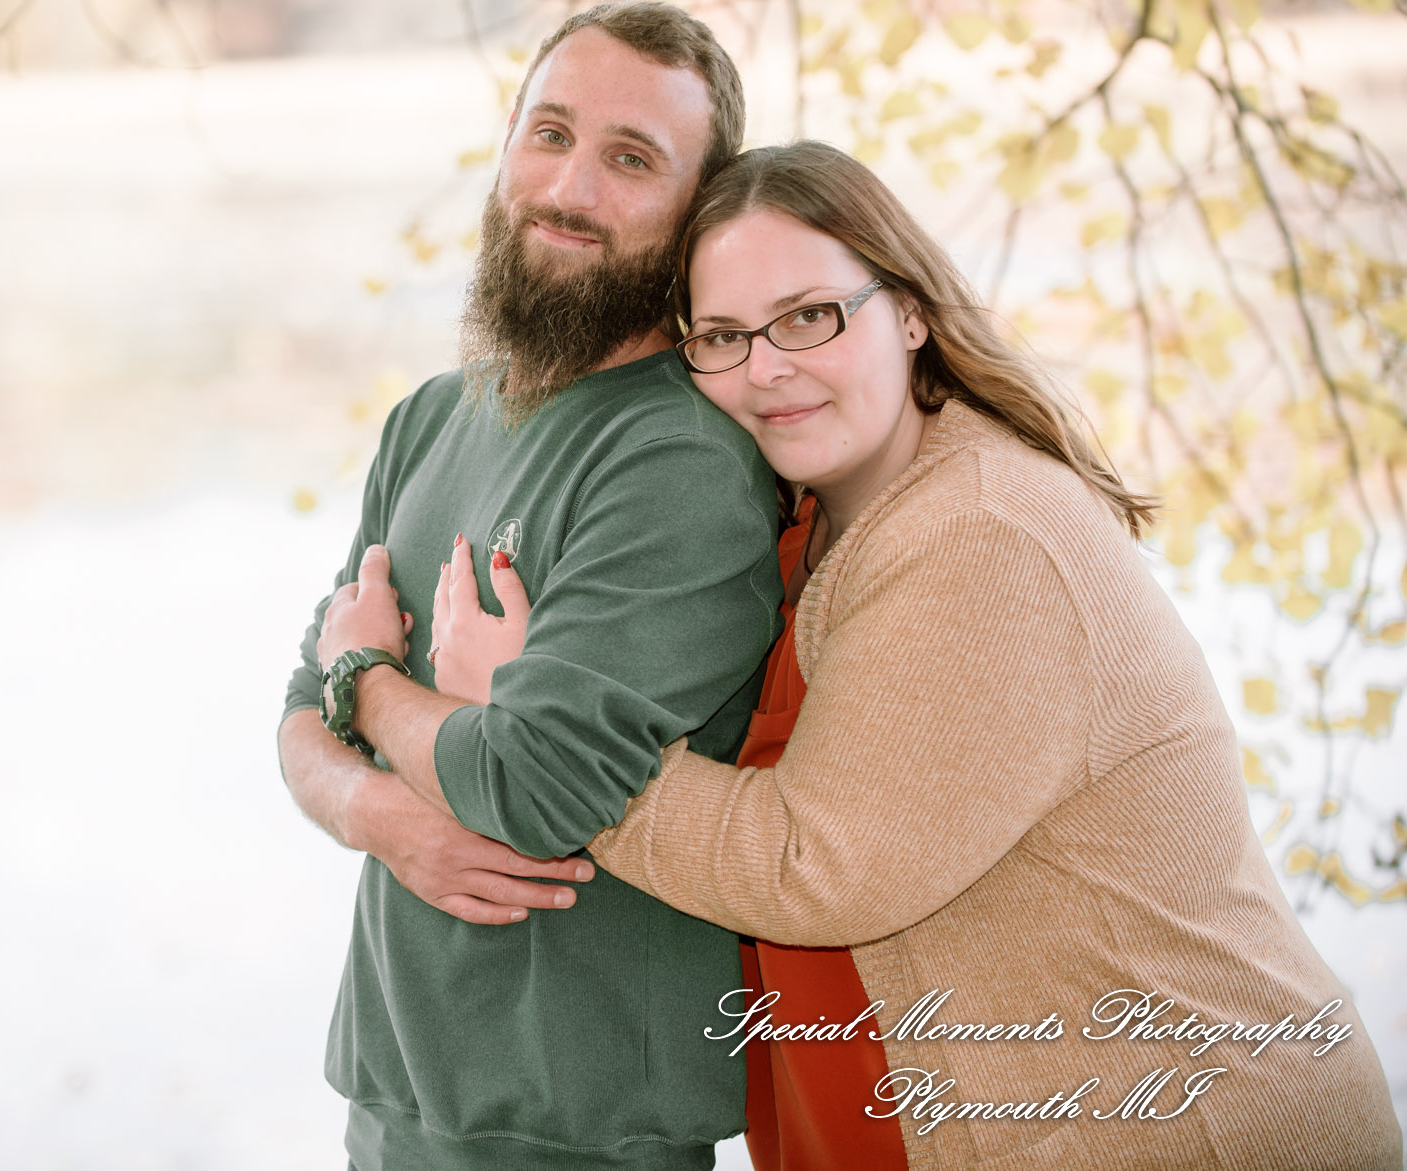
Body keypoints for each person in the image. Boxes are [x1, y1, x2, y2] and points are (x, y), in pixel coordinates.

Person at [427, 141, 1403, 1169]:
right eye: (723, 334)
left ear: (908, 310)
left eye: (809, 315)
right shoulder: (816, 520)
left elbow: (815, 866)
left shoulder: (983, 536)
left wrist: (542, 727)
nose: (767, 365)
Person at [276, 1, 784, 1171]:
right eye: (548, 133)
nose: (570, 186)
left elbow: (536, 785)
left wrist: (373, 682)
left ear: (695, 212)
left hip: (579, 1120)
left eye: (629, 158)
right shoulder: (431, 417)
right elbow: (299, 720)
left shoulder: (679, 464)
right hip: (393, 1091)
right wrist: (383, 817)